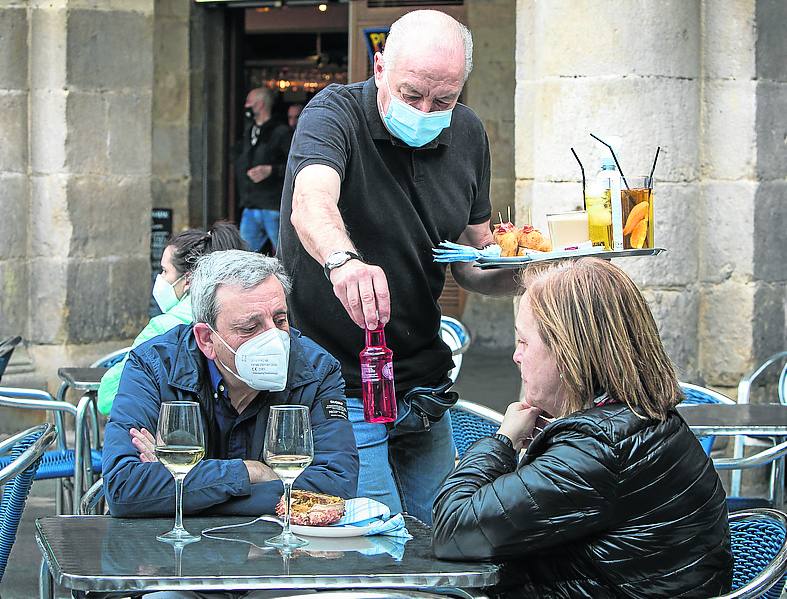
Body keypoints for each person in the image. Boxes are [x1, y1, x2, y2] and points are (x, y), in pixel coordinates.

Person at [278, 10, 518, 525]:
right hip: (341, 383)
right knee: (378, 546)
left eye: (444, 100)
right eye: (412, 96)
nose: (427, 110)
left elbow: (475, 259)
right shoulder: (334, 113)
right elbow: (311, 201)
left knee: (447, 539)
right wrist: (343, 263)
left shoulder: (469, 134)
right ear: (380, 65)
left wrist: (531, 272)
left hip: (423, 383)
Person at [432, 258, 733, 598]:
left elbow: (452, 528)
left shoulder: (598, 447)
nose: (516, 356)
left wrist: (502, 440)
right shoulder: (643, 419)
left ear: (567, 352)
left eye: (524, 342)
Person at [102, 250, 359, 517]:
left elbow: (334, 488)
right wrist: (251, 472)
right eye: (250, 328)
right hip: (168, 551)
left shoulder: (316, 369)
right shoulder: (155, 366)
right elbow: (125, 489)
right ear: (206, 339)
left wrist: (181, 491)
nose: (274, 339)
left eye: (280, 320)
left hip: (273, 553)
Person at [97, 222, 247, 415]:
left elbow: (109, 397)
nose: (160, 278)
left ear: (188, 280)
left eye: (165, 271)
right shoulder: (238, 316)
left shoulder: (164, 328)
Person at [235, 87, 292, 254]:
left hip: (273, 205)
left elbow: (294, 164)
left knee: (284, 256)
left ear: (259, 104)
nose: (246, 106)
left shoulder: (281, 132)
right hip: (250, 204)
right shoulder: (249, 131)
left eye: (248, 102)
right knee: (244, 258)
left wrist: (271, 170)